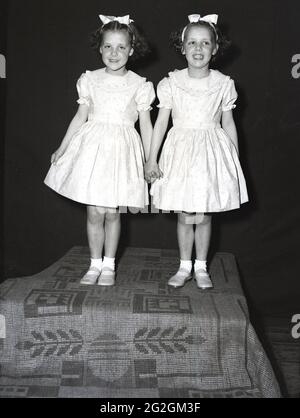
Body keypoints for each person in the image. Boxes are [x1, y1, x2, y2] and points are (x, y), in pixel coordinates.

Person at [44, 14, 155, 286]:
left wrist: (151, 158)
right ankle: (94, 264)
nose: (113, 53)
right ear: (100, 48)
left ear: (131, 49)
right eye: (108, 46)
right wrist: (63, 146)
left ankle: (109, 265)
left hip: (121, 151)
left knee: (113, 211)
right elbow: (80, 116)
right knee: (95, 211)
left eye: (120, 47)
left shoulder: (139, 85)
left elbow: (147, 126)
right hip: (93, 149)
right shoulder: (90, 79)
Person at [144, 14, 248, 289]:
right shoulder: (171, 83)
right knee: (184, 214)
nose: (198, 49)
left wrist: (233, 161)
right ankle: (184, 266)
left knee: (203, 213)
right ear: (182, 47)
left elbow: (228, 123)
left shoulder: (223, 84)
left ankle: (201, 267)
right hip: (180, 152)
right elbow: (161, 122)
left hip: (209, 152)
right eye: (192, 42)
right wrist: (152, 158)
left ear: (215, 48)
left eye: (205, 43)